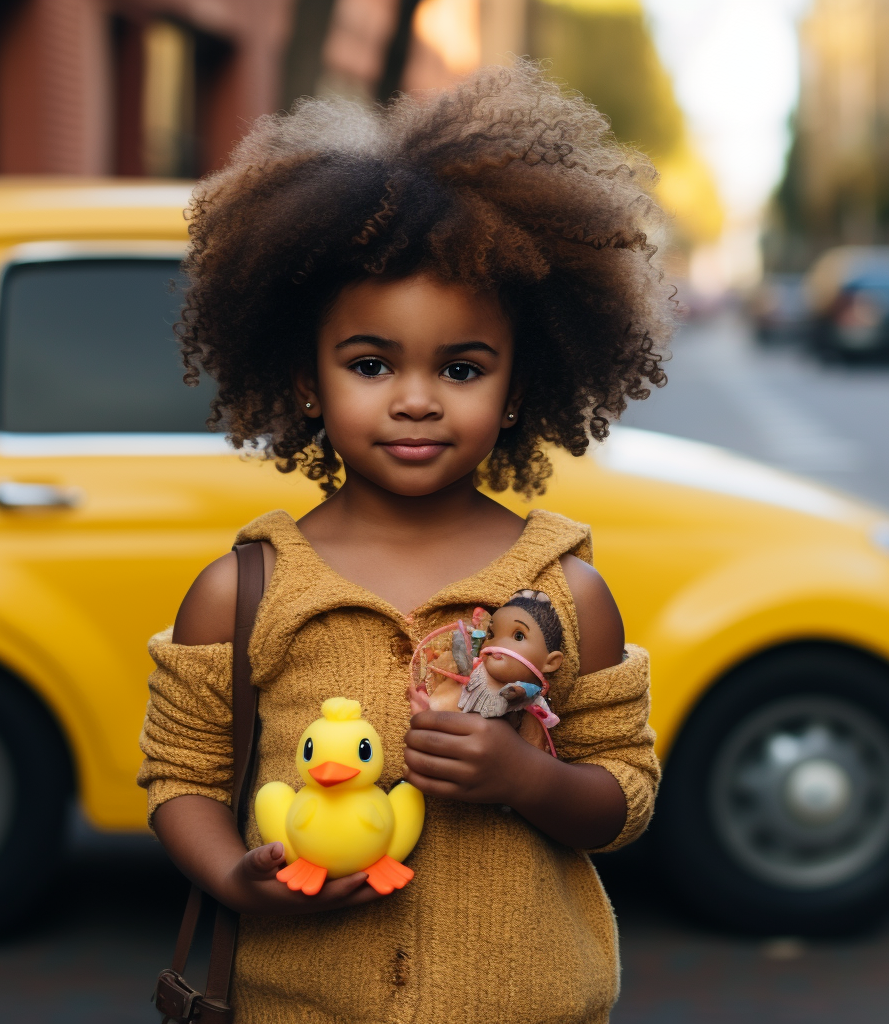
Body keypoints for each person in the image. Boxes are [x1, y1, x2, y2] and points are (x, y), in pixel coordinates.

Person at [138, 62, 670, 1024]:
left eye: (461, 367)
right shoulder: (242, 590)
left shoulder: (566, 591)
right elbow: (180, 778)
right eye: (371, 363)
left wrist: (527, 779)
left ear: (515, 388)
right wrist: (235, 876)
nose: (416, 398)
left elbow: (625, 793)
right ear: (307, 379)